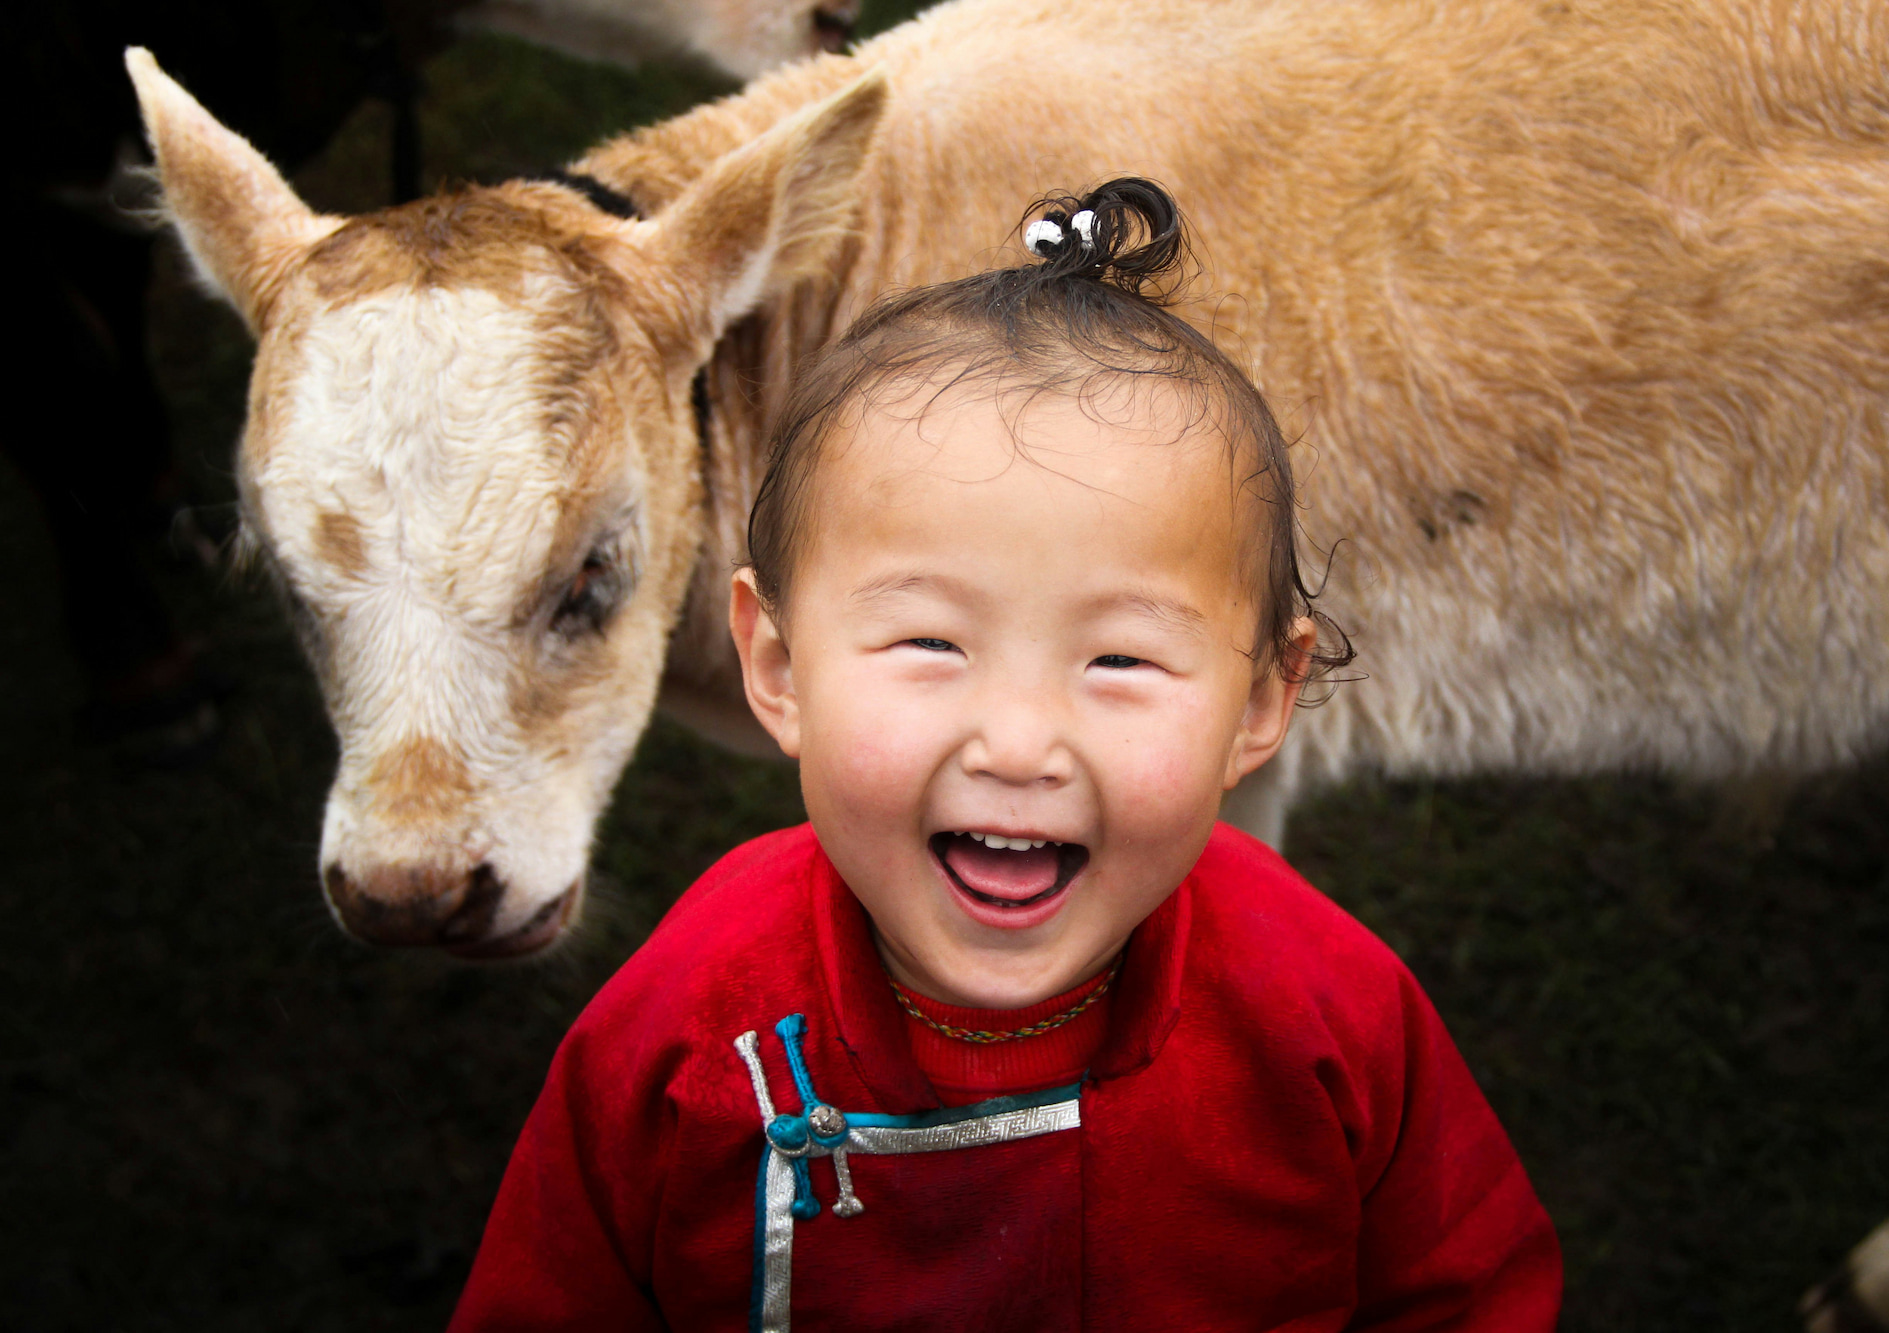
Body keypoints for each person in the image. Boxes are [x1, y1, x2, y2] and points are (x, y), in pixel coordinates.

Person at [449, 178, 1561, 1332]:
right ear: (777, 667)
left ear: (1256, 702)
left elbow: (1467, 1292)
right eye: (931, 643)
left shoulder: (1322, 1004)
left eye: (1119, 659)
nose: (1020, 743)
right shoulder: (687, 1021)